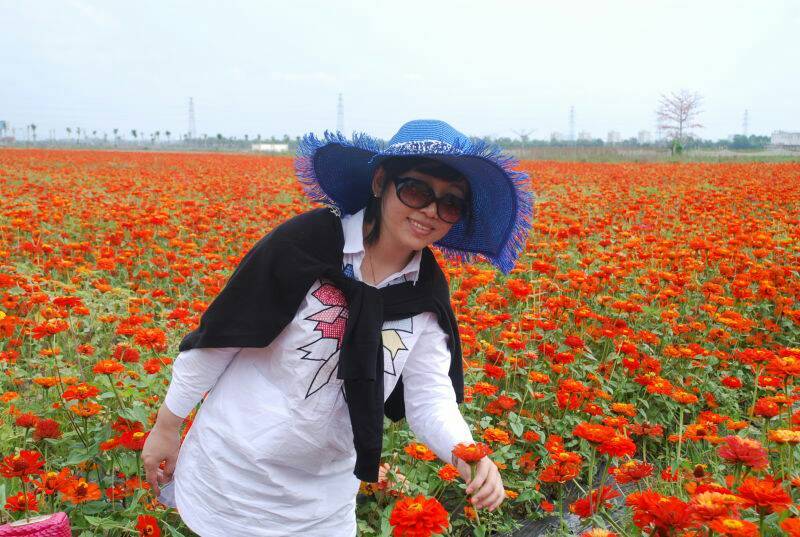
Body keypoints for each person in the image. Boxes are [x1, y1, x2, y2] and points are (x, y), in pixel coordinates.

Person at [142, 119, 534, 537]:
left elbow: (429, 395)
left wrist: (468, 455)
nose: (430, 212)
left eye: (450, 203)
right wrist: (167, 425)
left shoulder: (424, 291)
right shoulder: (308, 243)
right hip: (234, 476)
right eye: (417, 191)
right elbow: (220, 339)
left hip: (323, 501)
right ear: (381, 182)